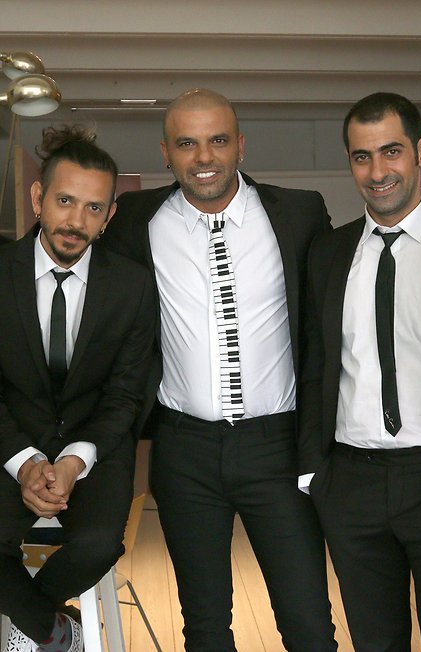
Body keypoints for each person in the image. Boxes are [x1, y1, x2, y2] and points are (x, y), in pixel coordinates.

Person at [102, 88, 337, 652]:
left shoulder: (300, 213)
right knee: (205, 629)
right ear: (166, 153)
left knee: (308, 623)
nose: (204, 157)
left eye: (218, 140)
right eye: (187, 143)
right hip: (183, 451)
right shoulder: (135, 219)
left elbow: (333, 315)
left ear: (240, 145)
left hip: (278, 449)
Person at [299, 92, 421, 651]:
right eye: (362, 156)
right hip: (351, 484)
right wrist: (315, 473)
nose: (378, 172)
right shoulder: (328, 253)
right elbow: (316, 363)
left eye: (392, 151)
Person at [0, 125, 156, 652]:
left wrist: (71, 462)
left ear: (110, 215)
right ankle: (55, 631)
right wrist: (25, 463)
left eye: (93, 208)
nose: (76, 221)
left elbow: (126, 394)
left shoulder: (132, 285)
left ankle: (30, 622)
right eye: (64, 201)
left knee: (98, 544)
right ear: (38, 197)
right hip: (10, 440)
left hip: (94, 446)